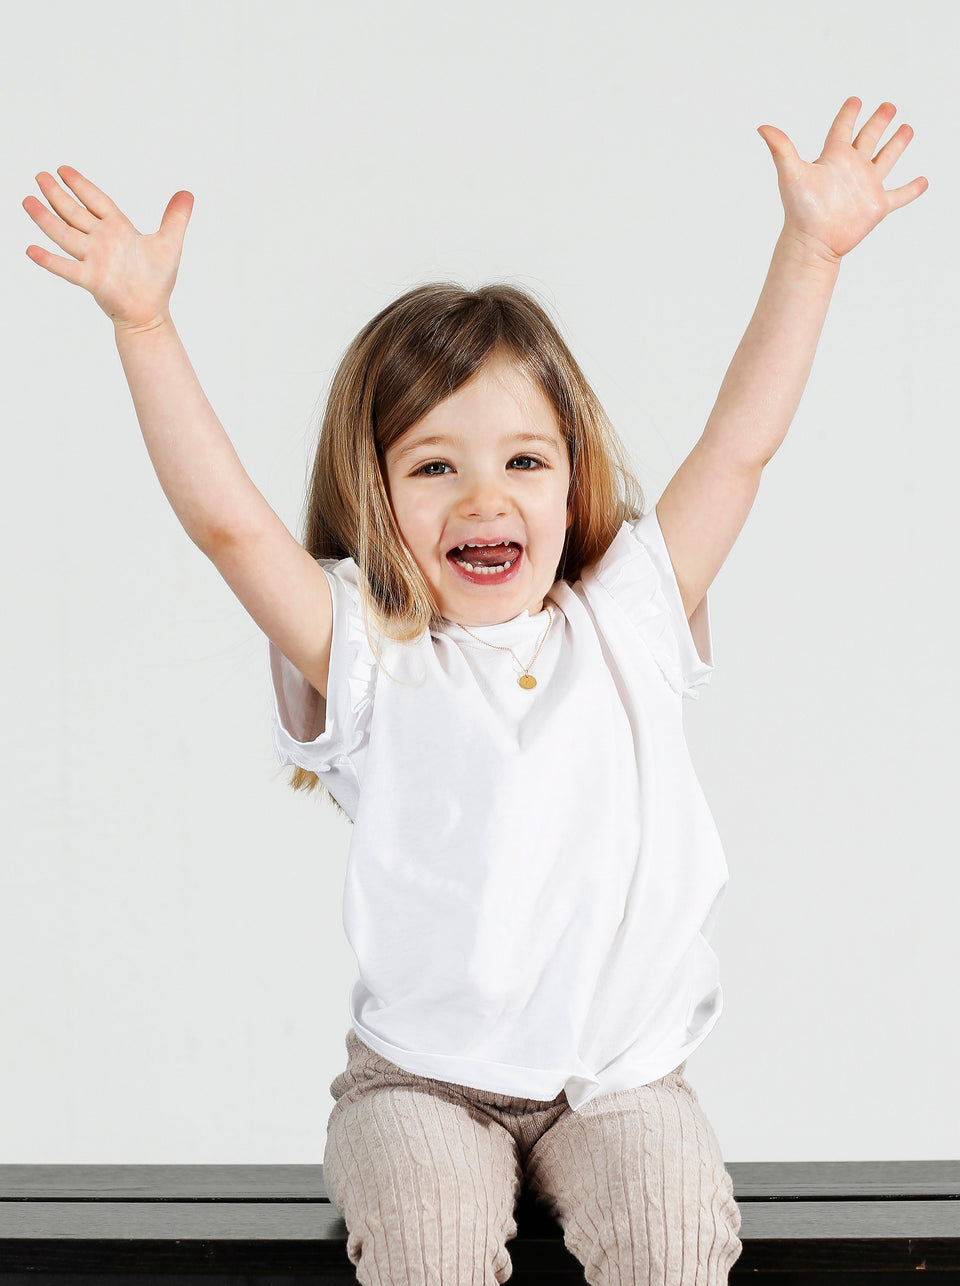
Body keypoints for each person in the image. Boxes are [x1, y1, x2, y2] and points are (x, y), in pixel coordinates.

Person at [23, 96, 926, 1286]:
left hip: (619, 1082)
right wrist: (145, 325)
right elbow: (229, 527)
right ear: (378, 493)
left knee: (673, 1238)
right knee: (432, 1245)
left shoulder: (629, 616)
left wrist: (811, 252)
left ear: (572, 480)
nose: (483, 497)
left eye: (523, 460)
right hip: (423, 1084)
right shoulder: (370, 649)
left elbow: (740, 445)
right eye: (435, 465)